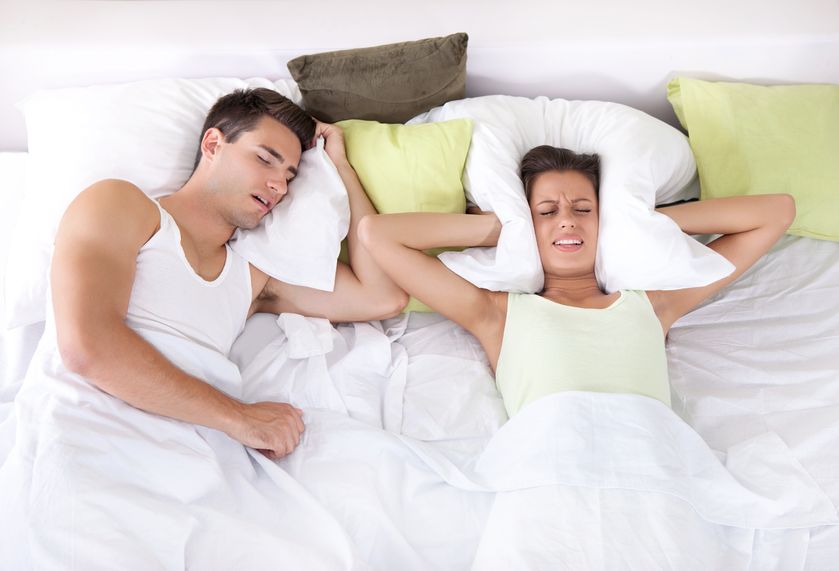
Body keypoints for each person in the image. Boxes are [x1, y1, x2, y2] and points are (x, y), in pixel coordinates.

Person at [50, 87, 408, 458]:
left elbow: (384, 296)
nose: (279, 185)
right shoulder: (120, 204)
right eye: (265, 159)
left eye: (290, 174)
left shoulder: (256, 274)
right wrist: (240, 419)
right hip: (90, 440)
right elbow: (86, 347)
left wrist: (341, 169)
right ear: (212, 144)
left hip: (194, 461)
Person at [359, 145, 795, 417]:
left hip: (650, 456)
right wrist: (510, 226)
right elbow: (376, 234)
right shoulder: (495, 312)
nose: (566, 219)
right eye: (547, 211)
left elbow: (777, 211)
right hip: (552, 461)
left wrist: (638, 223)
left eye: (583, 209)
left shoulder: (652, 304)